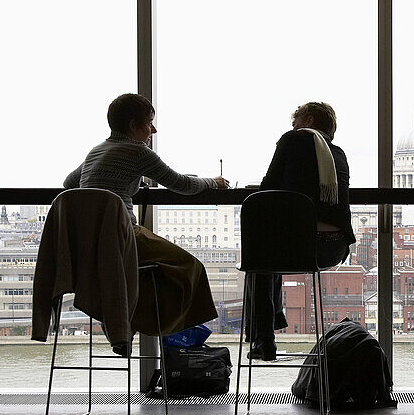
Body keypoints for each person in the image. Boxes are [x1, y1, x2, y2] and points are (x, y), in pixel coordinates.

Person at [63, 93, 229, 339]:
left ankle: (127, 320)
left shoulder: (96, 151)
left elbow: (69, 184)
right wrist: (213, 182)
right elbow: (182, 184)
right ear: (133, 125)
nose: (154, 129)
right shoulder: (138, 152)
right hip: (124, 237)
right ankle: (171, 332)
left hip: (89, 244)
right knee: (191, 267)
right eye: (150, 122)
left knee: (149, 275)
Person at [246, 101, 356, 361]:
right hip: (334, 248)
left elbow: (268, 187)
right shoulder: (338, 154)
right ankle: (272, 324)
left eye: (295, 121)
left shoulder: (293, 140)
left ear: (307, 120)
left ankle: (265, 341)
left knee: (258, 260)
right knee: (267, 259)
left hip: (301, 246)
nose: (293, 127)